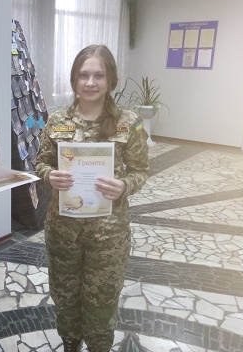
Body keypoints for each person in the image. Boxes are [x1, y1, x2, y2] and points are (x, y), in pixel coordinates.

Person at [35, 44, 149, 352]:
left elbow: (140, 170)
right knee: (65, 299)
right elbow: (41, 162)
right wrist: (49, 176)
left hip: (108, 235)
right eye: (83, 75)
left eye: (99, 75)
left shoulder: (130, 122)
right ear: (74, 79)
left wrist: (124, 186)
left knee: (101, 303)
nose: (90, 82)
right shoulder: (57, 120)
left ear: (110, 80)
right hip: (63, 231)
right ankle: (70, 344)